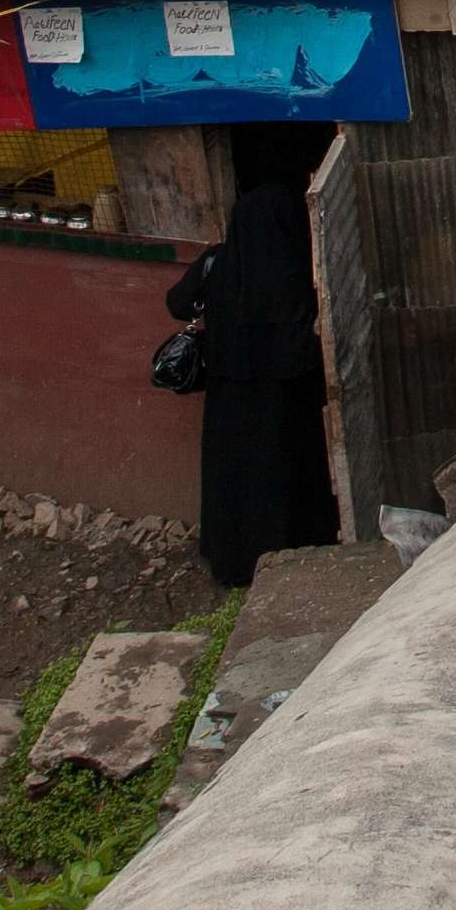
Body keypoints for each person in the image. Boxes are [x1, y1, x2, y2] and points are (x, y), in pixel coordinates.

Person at [162, 129, 344, 589]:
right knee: (285, 479)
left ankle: (235, 563)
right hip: (285, 402)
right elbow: (305, 340)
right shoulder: (295, 272)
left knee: (235, 481)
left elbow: (177, 304)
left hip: (229, 400)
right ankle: (291, 556)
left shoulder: (218, 263)